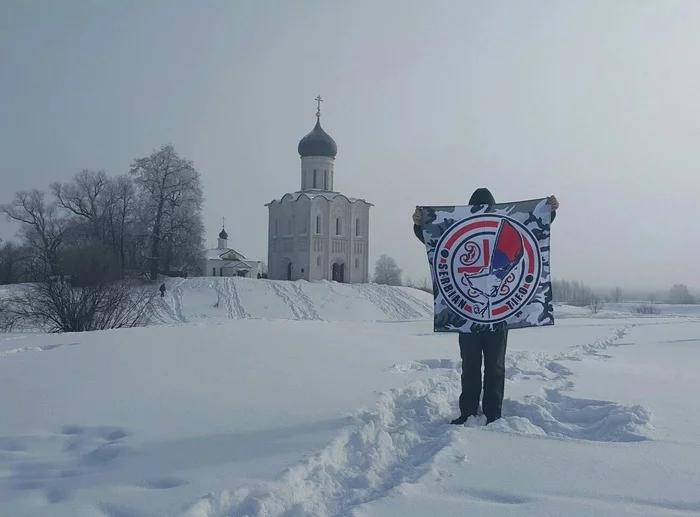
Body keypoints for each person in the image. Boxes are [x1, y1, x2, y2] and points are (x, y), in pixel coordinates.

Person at [412, 188, 559, 425]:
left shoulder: (501, 228)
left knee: (494, 366)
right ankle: (469, 411)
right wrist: (421, 225)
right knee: (473, 366)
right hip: (468, 314)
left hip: (498, 314)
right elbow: (438, 239)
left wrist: (548, 212)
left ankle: (493, 413)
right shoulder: (466, 230)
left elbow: (527, 229)